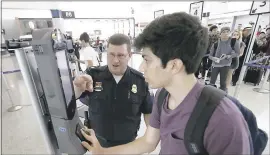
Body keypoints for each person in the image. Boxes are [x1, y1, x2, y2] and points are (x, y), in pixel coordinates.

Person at [80, 12, 251, 154]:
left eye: (147, 59)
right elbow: (148, 142)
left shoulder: (224, 120)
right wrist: (103, 152)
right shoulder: (163, 96)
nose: (141, 67)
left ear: (174, 65)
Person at [73, 33, 153, 148]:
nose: (115, 60)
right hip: (99, 144)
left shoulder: (141, 81)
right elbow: (75, 96)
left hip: (127, 145)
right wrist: (77, 88)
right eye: (111, 55)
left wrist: (150, 139)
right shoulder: (93, 75)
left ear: (129, 55)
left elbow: (148, 111)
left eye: (121, 55)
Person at [209, 27, 240, 92]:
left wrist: (228, 56)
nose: (225, 33)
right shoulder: (216, 43)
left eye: (227, 32)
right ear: (220, 34)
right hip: (215, 65)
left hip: (226, 65)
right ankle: (210, 95)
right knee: (212, 82)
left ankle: (222, 96)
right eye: (223, 32)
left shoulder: (234, 42)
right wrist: (214, 58)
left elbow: (237, 53)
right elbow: (210, 55)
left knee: (223, 83)